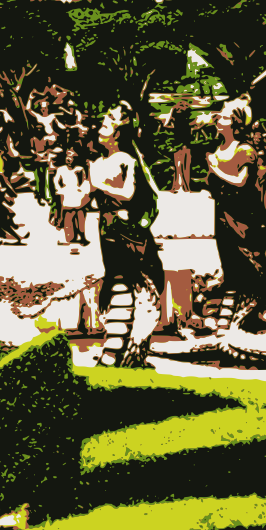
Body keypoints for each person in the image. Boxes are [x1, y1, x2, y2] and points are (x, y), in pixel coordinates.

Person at [87, 103, 164, 368]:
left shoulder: (126, 160)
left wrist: (99, 186)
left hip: (128, 231)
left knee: (130, 284)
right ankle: (119, 351)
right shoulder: (98, 163)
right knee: (119, 282)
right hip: (109, 228)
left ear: (119, 132)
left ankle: (118, 352)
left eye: (110, 120)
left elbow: (129, 193)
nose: (103, 123)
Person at [204, 98, 266, 332]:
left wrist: (215, 168)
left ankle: (255, 308)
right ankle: (230, 305)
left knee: (248, 257)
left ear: (235, 123)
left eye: (223, 117)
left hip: (245, 216)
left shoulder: (244, 150)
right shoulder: (219, 149)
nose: (218, 119)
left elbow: (241, 181)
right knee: (229, 256)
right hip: (224, 212)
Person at [52, 148, 91, 247]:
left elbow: (84, 181)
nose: (69, 160)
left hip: (77, 194)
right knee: (68, 215)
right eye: (67, 157)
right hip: (66, 194)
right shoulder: (61, 169)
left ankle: (82, 236)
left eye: (72, 158)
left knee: (80, 215)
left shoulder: (79, 169)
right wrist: (59, 189)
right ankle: (69, 234)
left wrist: (82, 190)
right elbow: (56, 180)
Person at [169, 100, 194, 193]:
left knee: (178, 165)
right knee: (184, 166)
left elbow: (168, 123)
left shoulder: (176, 121)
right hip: (184, 144)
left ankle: (178, 186)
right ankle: (184, 186)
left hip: (179, 143)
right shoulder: (186, 123)